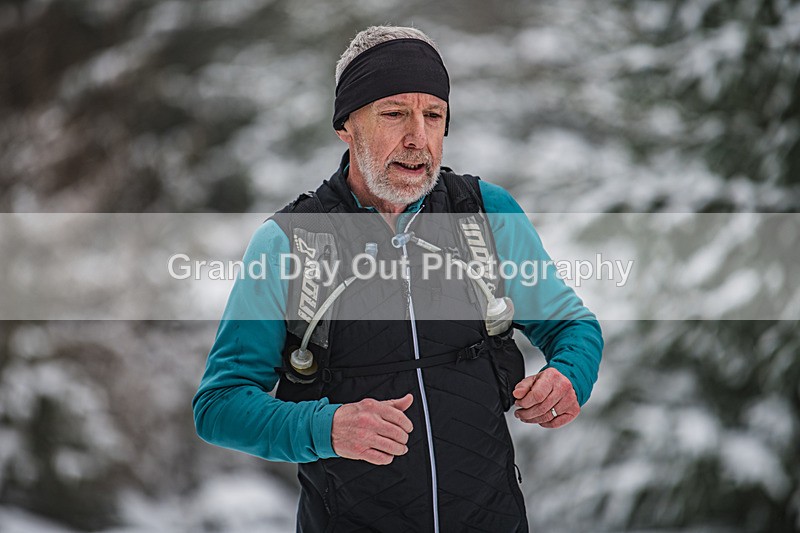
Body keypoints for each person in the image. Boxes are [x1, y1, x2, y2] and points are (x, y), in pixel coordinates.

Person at [193, 25, 603, 533]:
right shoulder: (288, 242)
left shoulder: (485, 215)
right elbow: (220, 405)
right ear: (347, 126)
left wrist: (569, 376)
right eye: (394, 114)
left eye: (433, 115)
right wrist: (326, 427)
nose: (417, 138)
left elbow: (572, 325)